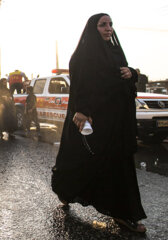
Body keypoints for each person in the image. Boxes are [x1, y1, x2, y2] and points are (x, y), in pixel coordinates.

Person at [51, 14, 147, 233]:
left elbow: (122, 80)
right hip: (95, 118)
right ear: (92, 29)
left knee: (118, 164)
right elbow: (81, 85)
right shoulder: (83, 56)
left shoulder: (114, 52)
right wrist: (82, 110)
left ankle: (123, 213)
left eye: (111, 24)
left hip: (117, 120)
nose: (109, 28)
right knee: (83, 160)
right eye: (103, 24)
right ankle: (65, 190)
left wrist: (131, 73)